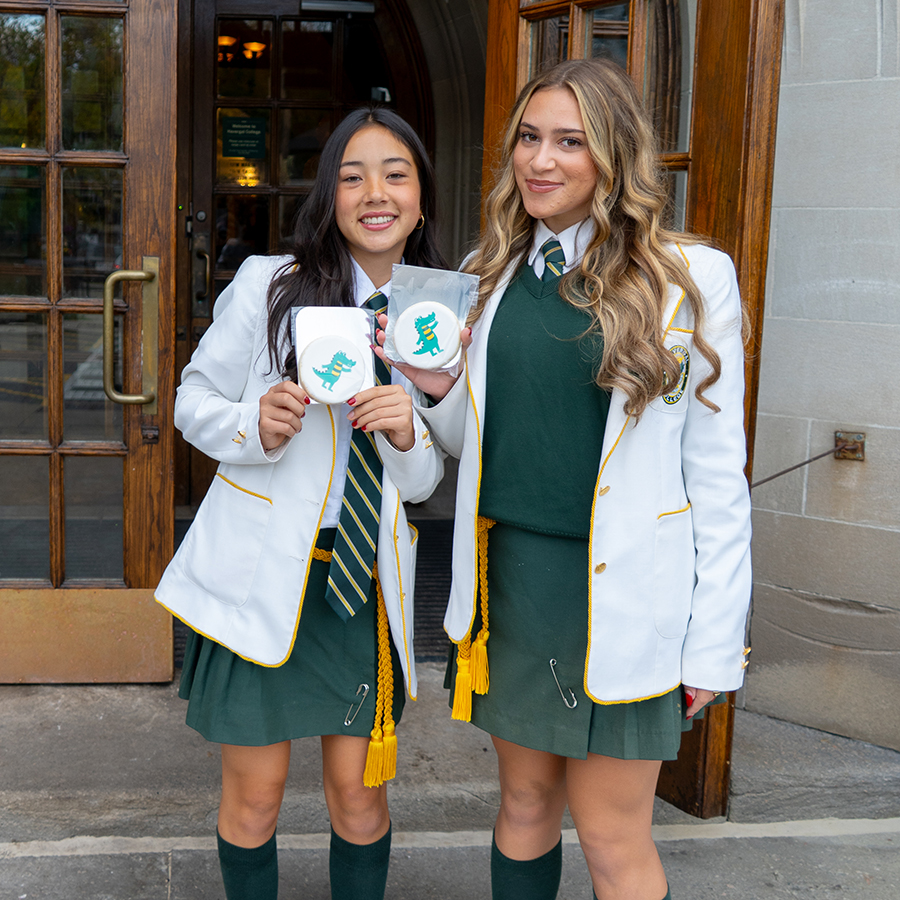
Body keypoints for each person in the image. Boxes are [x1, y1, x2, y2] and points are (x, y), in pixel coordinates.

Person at [388, 59, 752, 900]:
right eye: (528, 137)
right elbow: (473, 442)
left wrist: (713, 644)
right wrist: (435, 394)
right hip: (512, 584)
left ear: (613, 156)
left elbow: (717, 479)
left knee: (614, 836)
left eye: (568, 141)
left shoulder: (690, 281)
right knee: (522, 804)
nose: (539, 161)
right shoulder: (489, 271)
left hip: (626, 591)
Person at [155, 106, 446, 900]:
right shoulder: (271, 284)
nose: (374, 193)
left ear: (421, 195)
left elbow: (426, 487)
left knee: (360, 798)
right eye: (352, 176)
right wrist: (257, 422)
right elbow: (191, 402)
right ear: (330, 195)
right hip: (264, 582)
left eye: (396, 174)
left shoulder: (442, 316)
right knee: (254, 799)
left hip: (358, 594)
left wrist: (406, 436)